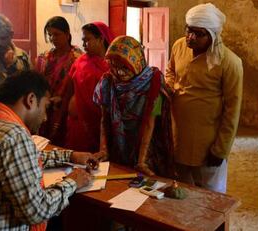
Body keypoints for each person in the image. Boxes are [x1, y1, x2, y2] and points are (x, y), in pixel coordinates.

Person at [0, 71, 96, 231]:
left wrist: (71, 155)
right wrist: (73, 182)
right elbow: (37, 211)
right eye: (45, 107)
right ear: (31, 100)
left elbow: (25, 159)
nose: (45, 117)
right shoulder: (14, 135)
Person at [165, 3, 243, 193]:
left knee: (210, 194)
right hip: (179, 134)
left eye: (198, 33)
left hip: (207, 142)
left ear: (212, 35)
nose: (190, 37)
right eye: (188, 30)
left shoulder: (229, 62)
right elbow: (170, 72)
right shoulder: (179, 46)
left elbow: (232, 110)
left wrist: (221, 150)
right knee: (182, 190)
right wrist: (169, 86)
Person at [93, 36, 174, 177]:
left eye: (124, 67)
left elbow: (150, 123)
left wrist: (142, 161)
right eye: (113, 66)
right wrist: (104, 149)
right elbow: (104, 119)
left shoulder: (153, 82)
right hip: (118, 145)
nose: (119, 73)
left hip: (146, 146)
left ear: (137, 62)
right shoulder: (108, 82)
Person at [59, 22, 114, 152]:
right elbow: (70, 90)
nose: (83, 45)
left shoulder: (113, 65)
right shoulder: (80, 62)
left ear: (100, 39)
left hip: (99, 123)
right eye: (83, 40)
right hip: (78, 124)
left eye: (87, 40)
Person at [35, 16, 84, 146]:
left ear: (67, 34)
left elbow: (81, 87)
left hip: (66, 110)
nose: (52, 38)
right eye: (50, 35)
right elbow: (37, 83)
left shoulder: (78, 58)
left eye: (57, 34)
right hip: (46, 109)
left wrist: (63, 98)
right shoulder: (44, 58)